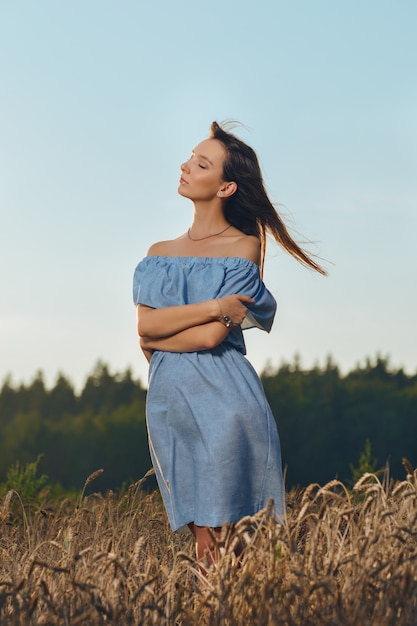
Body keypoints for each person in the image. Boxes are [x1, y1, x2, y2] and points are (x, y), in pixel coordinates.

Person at [133, 121, 326, 569]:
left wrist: (167, 329)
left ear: (226, 187)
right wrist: (216, 303)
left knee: (226, 547)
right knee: (202, 538)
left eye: (202, 163)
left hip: (225, 402)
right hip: (170, 405)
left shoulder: (244, 246)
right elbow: (144, 329)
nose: (186, 165)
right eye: (190, 157)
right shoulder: (157, 252)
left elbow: (210, 337)